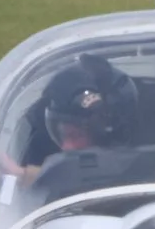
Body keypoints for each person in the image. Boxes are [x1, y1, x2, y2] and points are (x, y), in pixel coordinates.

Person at [11, 56, 139, 183]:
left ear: (111, 134)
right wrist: (21, 174)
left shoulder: (151, 172)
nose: (66, 147)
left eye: (78, 135)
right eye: (61, 134)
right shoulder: (38, 148)